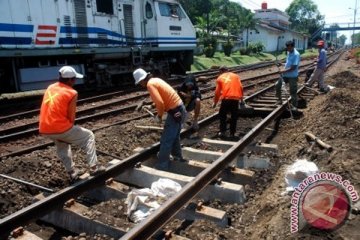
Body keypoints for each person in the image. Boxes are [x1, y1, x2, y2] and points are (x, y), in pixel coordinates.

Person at [39, 66, 105, 181]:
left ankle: (72, 172)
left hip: (45, 128)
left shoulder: (50, 87)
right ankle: (94, 167)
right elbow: (71, 115)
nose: (75, 82)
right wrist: (69, 128)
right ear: (69, 80)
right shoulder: (72, 93)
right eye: (74, 79)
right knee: (88, 136)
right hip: (60, 128)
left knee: (62, 144)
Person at [133, 68, 186, 170]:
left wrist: (159, 117)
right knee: (174, 137)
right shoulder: (156, 80)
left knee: (166, 139)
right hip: (179, 109)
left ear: (142, 80)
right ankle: (177, 157)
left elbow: (161, 103)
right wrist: (152, 106)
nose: (141, 85)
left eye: (140, 83)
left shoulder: (150, 84)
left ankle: (162, 165)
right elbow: (162, 98)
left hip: (175, 112)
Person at [212, 66, 244, 138]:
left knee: (222, 115)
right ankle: (232, 133)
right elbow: (241, 88)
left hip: (226, 98)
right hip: (235, 99)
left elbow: (217, 92)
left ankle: (223, 132)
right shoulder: (236, 76)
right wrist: (242, 100)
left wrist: (215, 102)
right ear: (228, 70)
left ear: (220, 71)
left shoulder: (220, 78)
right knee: (234, 116)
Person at [276, 40, 301, 110]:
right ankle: (279, 100)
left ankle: (294, 106)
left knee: (293, 91)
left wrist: (283, 70)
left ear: (293, 47)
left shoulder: (296, 54)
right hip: (285, 75)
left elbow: (293, 67)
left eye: (289, 48)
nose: (288, 49)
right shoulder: (288, 52)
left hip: (293, 76)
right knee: (277, 85)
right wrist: (282, 64)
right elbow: (288, 63)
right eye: (287, 48)